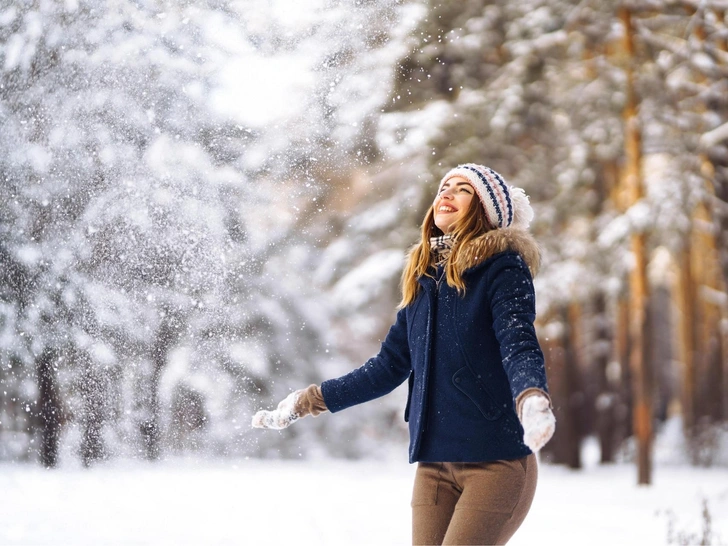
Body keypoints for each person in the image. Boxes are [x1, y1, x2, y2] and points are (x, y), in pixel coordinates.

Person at [252, 163, 556, 546]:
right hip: (434, 464)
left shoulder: (503, 269)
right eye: (444, 186)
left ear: (485, 209)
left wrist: (532, 397)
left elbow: (518, 340)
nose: (446, 193)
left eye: (462, 189)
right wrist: (309, 400)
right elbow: (386, 367)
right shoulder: (425, 280)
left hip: (496, 462)